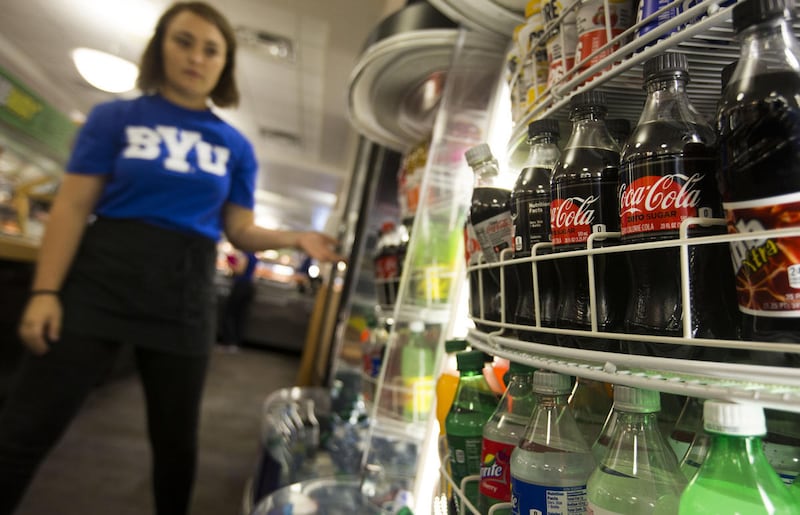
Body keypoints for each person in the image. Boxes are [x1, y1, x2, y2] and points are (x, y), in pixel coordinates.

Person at [0, 2, 343, 514]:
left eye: (212, 49)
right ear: (161, 45)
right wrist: (46, 291)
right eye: (184, 41)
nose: (196, 57)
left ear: (224, 64)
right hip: (100, 278)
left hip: (184, 292)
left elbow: (239, 229)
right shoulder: (114, 117)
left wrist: (297, 238)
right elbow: (72, 206)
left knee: (176, 444)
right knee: (26, 427)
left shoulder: (234, 146)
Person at [219, 250, 258, 351]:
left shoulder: (245, 254)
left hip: (241, 286)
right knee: (240, 316)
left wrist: (230, 262)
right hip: (249, 287)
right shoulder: (253, 255)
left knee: (230, 314)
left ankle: (229, 342)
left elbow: (239, 270)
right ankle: (236, 343)